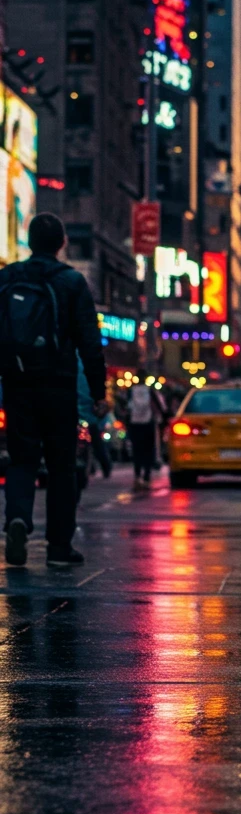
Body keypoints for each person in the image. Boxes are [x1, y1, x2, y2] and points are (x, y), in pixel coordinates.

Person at [0, 212, 106, 566]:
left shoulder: (8, 277)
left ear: (29, 242)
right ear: (62, 243)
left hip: (17, 383)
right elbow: (90, 343)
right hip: (59, 386)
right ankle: (59, 547)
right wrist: (98, 393)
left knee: (21, 461)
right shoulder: (72, 282)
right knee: (62, 466)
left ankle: (17, 519)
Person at [126, 371, 167, 487]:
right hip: (148, 423)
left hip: (134, 424)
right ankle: (146, 476)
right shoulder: (150, 391)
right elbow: (161, 407)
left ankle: (137, 476)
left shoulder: (131, 391)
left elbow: (127, 407)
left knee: (137, 450)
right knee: (148, 450)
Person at [78, 357, 112, 479]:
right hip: (89, 415)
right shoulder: (89, 362)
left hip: (78, 413)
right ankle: (105, 467)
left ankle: (97, 467)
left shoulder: (70, 359)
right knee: (97, 444)